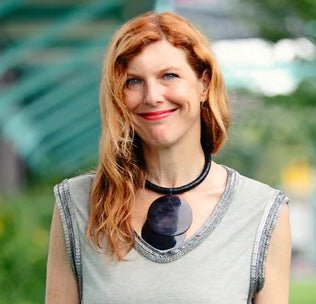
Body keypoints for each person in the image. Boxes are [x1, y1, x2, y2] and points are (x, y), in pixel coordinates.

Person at [46, 11, 291, 304]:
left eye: (169, 76)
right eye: (133, 81)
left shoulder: (261, 211)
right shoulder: (77, 204)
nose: (152, 96)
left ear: (203, 83)